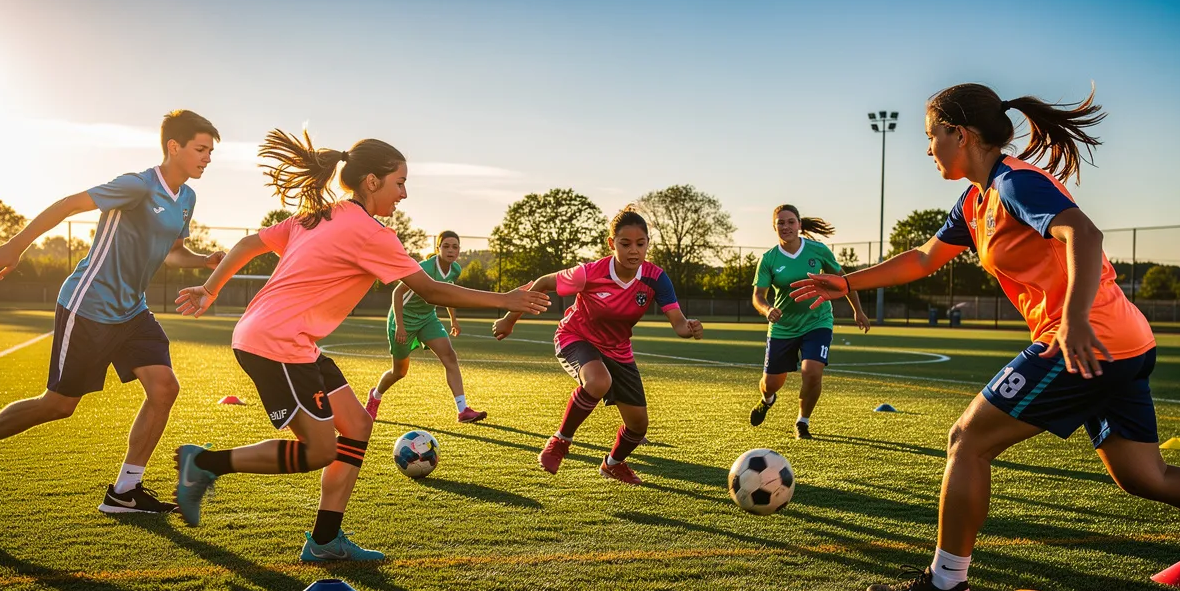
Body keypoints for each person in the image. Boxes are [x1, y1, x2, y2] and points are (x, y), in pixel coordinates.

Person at [792, 83, 1180, 591]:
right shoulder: (975, 199)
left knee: (967, 440)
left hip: (1085, 339)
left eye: (931, 136)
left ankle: (946, 584)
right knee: (1146, 475)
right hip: (1122, 340)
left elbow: (1085, 234)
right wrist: (848, 282)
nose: (927, 149)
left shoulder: (1014, 182)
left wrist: (1075, 320)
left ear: (959, 134)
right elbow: (923, 258)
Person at [172, 129, 548, 561]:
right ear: (372, 181)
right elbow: (433, 291)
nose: (404, 194)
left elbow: (246, 244)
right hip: (275, 342)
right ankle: (204, 465)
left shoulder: (318, 214)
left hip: (292, 341)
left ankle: (326, 539)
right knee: (319, 449)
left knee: (357, 427)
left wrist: (211, 288)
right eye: (399, 183)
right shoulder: (373, 234)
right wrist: (506, 299)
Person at [0, 110, 224, 515]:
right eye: (201, 149)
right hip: (89, 305)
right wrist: (15, 246)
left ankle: (125, 491)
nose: (207, 158)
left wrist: (204, 259)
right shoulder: (136, 186)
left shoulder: (187, 198)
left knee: (164, 388)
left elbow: (173, 253)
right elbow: (68, 205)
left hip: (132, 311)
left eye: (210, 151)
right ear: (174, 147)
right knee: (58, 405)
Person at [491, 206, 703, 485]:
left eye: (641, 244)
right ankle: (560, 441)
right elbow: (543, 282)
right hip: (576, 337)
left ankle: (613, 464)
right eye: (625, 244)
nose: (633, 251)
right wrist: (509, 319)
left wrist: (688, 329)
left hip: (618, 349)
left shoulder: (656, 278)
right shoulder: (589, 274)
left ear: (648, 244)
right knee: (598, 380)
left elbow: (678, 322)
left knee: (638, 426)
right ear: (611, 243)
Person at [750, 204, 869, 439]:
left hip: (818, 321)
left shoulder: (818, 250)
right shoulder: (768, 259)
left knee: (812, 371)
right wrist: (767, 309)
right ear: (774, 227)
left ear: (799, 225)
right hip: (783, 327)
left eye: (791, 222)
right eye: (781, 223)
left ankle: (802, 422)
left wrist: (858, 311)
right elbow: (758, 296)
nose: (786, 227)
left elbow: (844, 281)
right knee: (772, 383)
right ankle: (767, 399)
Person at [364, 230, 486, 423]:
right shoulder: (424, 268)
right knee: (399, 372)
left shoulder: (455, 269)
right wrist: (401, 327)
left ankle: (463, 410)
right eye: (446, 246)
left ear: (459, 250)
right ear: (438, 248)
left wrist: (453, 319)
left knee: (450, 357)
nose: (450, 250)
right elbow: (397, 293)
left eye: (455, 247)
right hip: (403, 319)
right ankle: (375, 397)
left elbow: (448, 293)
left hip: (428, 318)